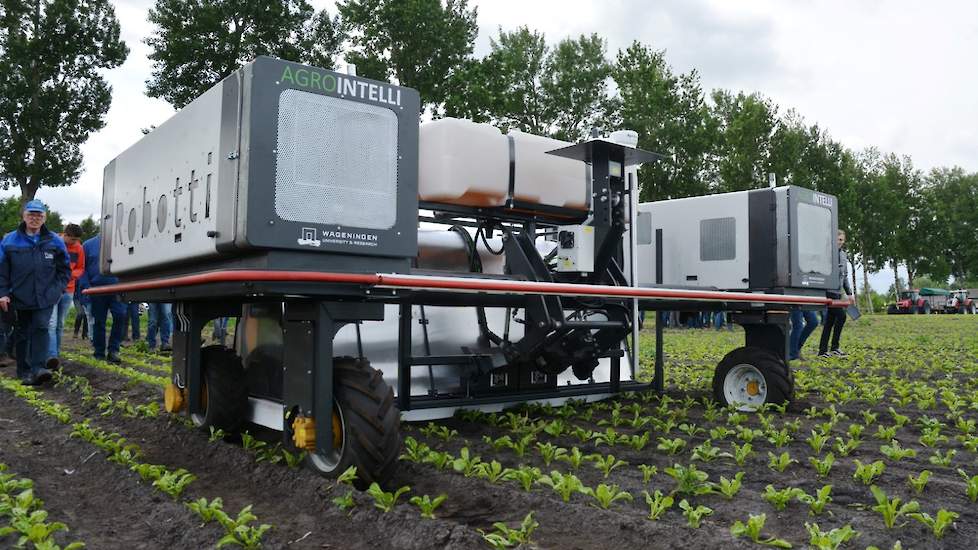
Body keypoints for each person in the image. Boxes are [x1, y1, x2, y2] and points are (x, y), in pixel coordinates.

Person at [0, 200, 70, 384]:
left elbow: (65, 270)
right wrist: (3, 293)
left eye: (39, 215)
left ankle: (39, 368)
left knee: (41, 327)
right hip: (19, 295)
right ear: (24, 216)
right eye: (31, 214)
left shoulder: (54, 240)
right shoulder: (9, 241)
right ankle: (23, 371)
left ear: (44, 218)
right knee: (22, 332)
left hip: (46, 296)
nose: (35, 218)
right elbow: (2, 271)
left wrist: (57, 290)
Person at [80, 234, 125, 363]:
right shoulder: (88, 245)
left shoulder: (121, 242)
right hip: (96, 290)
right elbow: (82, 268)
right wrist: (86, 286)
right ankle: (99, 351)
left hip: (118, 288)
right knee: (99, 321)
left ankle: (114, 350)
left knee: (120, 316)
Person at [46, 223, 85, 369]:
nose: (74, 242)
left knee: (60, 324)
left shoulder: (79, 248)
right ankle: (51, 356)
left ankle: (56, 353)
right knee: (51, 323)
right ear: (65, 234)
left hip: (68, 290)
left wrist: (69, 275)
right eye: (72, 239)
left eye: (76, 240)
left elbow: (81, 268)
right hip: (52, 289)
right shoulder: (52, 243)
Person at [818, 229, 853, 357]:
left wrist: (849, 293)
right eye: (838, 239)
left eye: (842, 240)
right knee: (842, 316)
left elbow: (845, 276)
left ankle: (823, 351)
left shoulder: (843, 255)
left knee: (829, 322)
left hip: (838, 292)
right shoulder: (827, 254)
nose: (840, 242)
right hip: (828, 292)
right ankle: (834, 347)